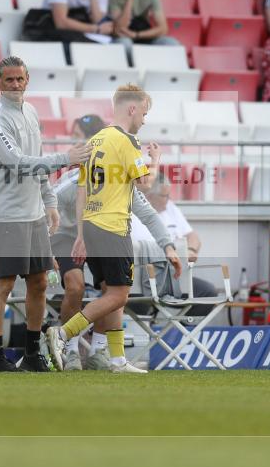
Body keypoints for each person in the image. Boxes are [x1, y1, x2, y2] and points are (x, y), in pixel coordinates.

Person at [46, 84, 183, 374]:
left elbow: (83, 189)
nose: (145, 120)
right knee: (119, 295)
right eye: (144, 113)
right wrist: (155, 161)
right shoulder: (126, 140)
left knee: (113, 291)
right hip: (112, 225)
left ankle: (116, 360)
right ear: (132, 108)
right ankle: (63, 334)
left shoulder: (95, 141)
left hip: (93, 224)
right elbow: (145, 184)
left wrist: (82, 234)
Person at [0, 56, 92, 372]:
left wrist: (50, 202)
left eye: (20, 79)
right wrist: (66, 158)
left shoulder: (30, 112)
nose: (15, 85)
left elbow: (36, 161)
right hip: (5, 213)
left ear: (27, 80)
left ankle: (31, 354)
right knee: (2, 283)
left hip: (32, 214)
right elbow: (18, 163)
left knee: (40, 282)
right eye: (9, 80)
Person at [130, 172, 218, 314]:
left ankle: (183, 335)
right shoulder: (132, 214)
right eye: (165, 196)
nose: (169, 199)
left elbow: (192, 236)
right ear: (150, 196)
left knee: (208, 293)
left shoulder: (170, 208)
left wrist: (191, 250)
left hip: (176, 277)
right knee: (139, 298)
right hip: (143, 280)